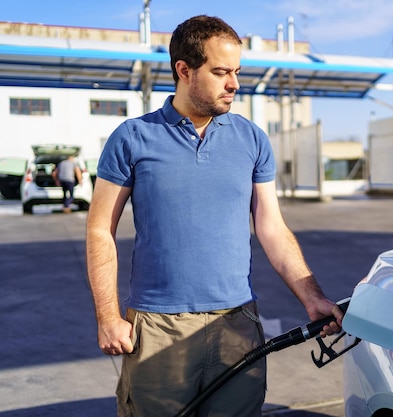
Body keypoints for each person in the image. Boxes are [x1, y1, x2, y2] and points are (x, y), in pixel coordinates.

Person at [85, 15, 343, 417]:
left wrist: (312, 298)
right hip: (158, 328)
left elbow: (271, 227)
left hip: (238, 323)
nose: (234, 84)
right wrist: (108, 316)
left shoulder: (251, 138)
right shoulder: (133, 138)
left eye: (236, 71)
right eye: (221, 72)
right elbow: (100, 229)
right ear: (184, 70)